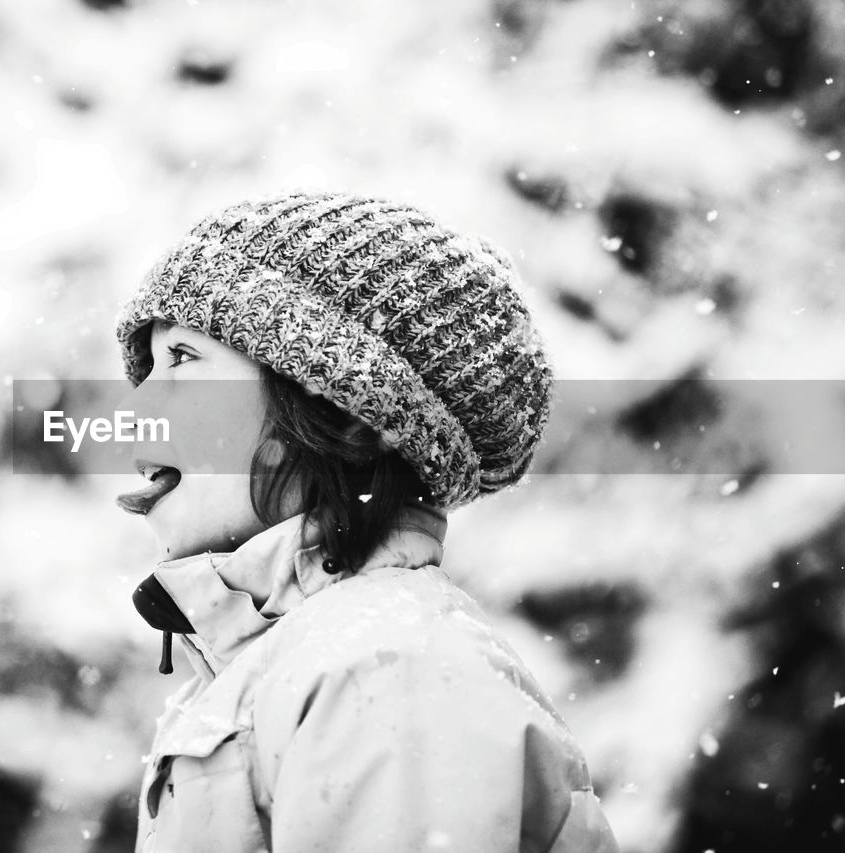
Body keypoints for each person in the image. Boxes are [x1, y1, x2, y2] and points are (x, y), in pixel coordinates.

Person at [112, 191, 620, 853]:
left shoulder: (383, 670)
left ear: (348, 413)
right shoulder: (289, 664)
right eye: (145, 367)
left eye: (182, 358)